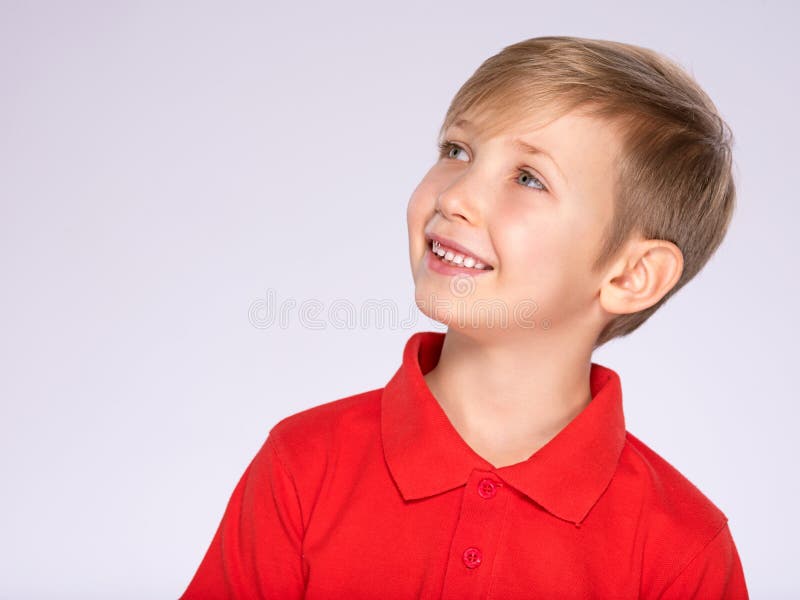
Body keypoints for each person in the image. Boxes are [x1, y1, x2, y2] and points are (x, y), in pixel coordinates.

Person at [180, 35, 749, 598]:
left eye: (529, 178)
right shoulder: (302, 465)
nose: (456, 197)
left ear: (631, 276)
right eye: (458, 151)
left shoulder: (684, 549)